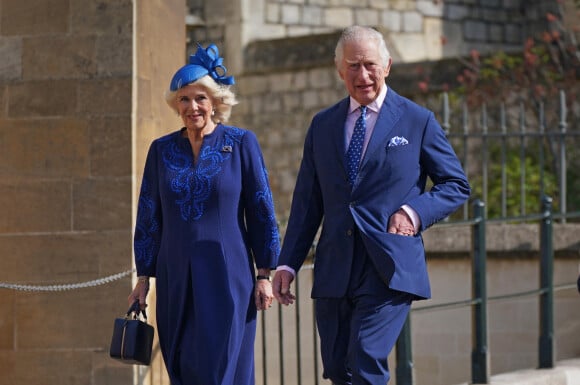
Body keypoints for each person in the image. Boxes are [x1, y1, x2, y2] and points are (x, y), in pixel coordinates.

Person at [272, 26, 470, 385]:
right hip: (335, 266)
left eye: (370, 65)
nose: (362, 75)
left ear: (387, 66)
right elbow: (307, 202)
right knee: (336, 367)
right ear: (339, 70)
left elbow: (455, 185)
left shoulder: (417, 120)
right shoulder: (322, 125)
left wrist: (412, 213)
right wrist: (287, 262)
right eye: (352, 66)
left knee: (365, 358)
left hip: (387, 263)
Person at [128, 43, 280, 385]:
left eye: (200, 98)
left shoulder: (241, 143)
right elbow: (149, 214)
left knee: (222, 364)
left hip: (228, 272)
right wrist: (143, 278)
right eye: (184, 99)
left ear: (215, 102)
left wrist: (265, 274)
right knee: (181, 361)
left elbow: (261, 208)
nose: (192, 106)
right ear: (175, 104)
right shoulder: (161, 150)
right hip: (174, 274)